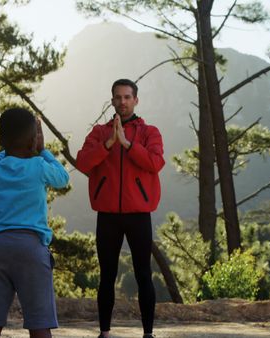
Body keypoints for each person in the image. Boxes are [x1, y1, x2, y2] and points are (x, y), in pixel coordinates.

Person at [76, 79, 164, 338]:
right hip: (108, 216)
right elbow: (82, 163)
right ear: (112, 100)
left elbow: (155, 163)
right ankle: (105, 332)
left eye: (127, 97)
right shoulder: (99, 133)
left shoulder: (150, 132)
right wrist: (109, 143)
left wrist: (126, 143)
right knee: (107, 275)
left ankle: (148, 333)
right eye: (118, 97)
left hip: (139, 215)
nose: (122, 102)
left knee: (143, 274)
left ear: (136, 100)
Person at [0, 108, 69, 338]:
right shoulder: (38, 166)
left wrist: (12, 145)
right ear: (33, 140)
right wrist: (42, 150)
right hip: (31, 248)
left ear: (1, 140)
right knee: (39, 323)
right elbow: (62, 177)